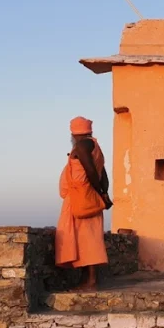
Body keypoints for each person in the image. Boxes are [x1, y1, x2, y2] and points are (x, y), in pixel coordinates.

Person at [55, 117, 113, 291]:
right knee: (86, 238)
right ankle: (86, 280)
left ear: (74, 132)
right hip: (88, 196)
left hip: (82, 198)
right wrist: (102, 193)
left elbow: (90, 171)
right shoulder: (96, 147)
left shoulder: (82, 146)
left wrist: (100, 193)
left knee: (87, 240)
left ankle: (91, 281)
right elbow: (103, 175)